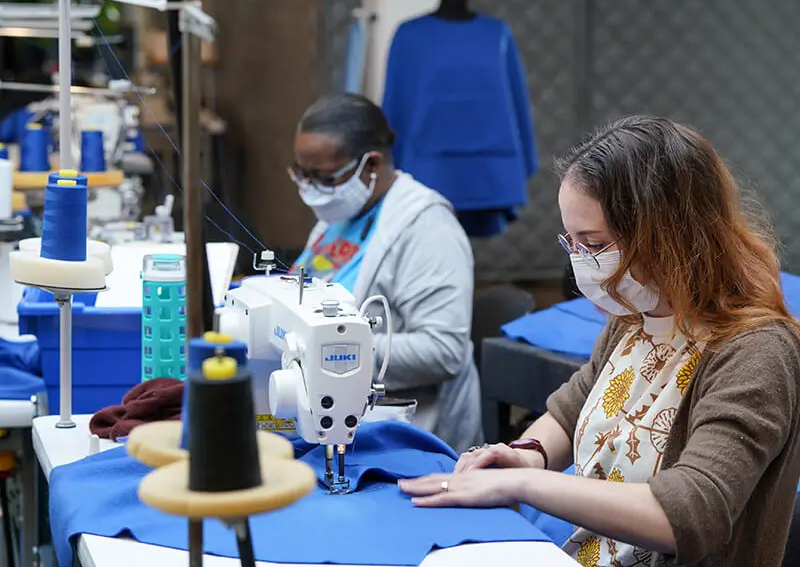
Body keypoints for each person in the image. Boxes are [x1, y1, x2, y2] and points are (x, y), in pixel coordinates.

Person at [399, 116, 800, 566]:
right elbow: (571, 411)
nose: (581, 263)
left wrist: (523, 485)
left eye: (594, 244)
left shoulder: (758, 352)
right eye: (571, 242)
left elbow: (691, 511)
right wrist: (527, 456)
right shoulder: (636, 316)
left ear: (669, 237)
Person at [288, 93, 482, 453]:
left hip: (400, 434)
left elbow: (444, 350)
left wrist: (332, 351)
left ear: (371, 165)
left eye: (324, 177)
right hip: (326, 417)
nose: (311, 189)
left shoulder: (427, 227)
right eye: (302, 175)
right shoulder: (338, 217)